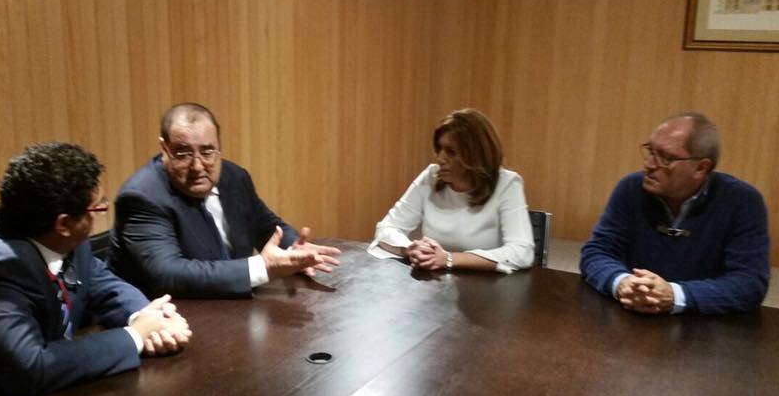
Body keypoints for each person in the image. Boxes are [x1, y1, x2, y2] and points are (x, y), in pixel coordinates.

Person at [0, 143, 191, 396]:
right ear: (63, 223)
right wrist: (134, 336)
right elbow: (32, 368)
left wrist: (147, 317)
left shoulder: (57, 237)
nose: (100, 212)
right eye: (97, 208)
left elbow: (101, 282)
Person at [108, 103, 341, 298]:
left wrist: (293, 251)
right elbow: (168, 274)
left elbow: (267, 227)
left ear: (219, 147)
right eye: (183, 153)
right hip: (165, 319)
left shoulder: (234, 177)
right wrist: (262, 267)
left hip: (232, 309)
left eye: (207, 152)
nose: (197, 166)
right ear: (165, 148)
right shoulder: (142, 197)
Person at [580, 112, 770, 315]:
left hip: (704, 325)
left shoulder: (742, 201)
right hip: (630, 314)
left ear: (701, 168)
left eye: (665, 158)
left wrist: (674, 295)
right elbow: (596, 252)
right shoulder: (631, 188)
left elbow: (750, 283)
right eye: (650, 151)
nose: (649, 164)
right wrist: (622, 283)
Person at [367, 108, 535, 273]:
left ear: (476, 155)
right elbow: (386, 229)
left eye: (451, 152)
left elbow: (522, 252)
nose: (440, 158)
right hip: (435, 283)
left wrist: (449, 259)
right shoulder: (430, 177)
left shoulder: (507, 183)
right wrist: (411, 249)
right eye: (439, 149)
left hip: (488, 285)